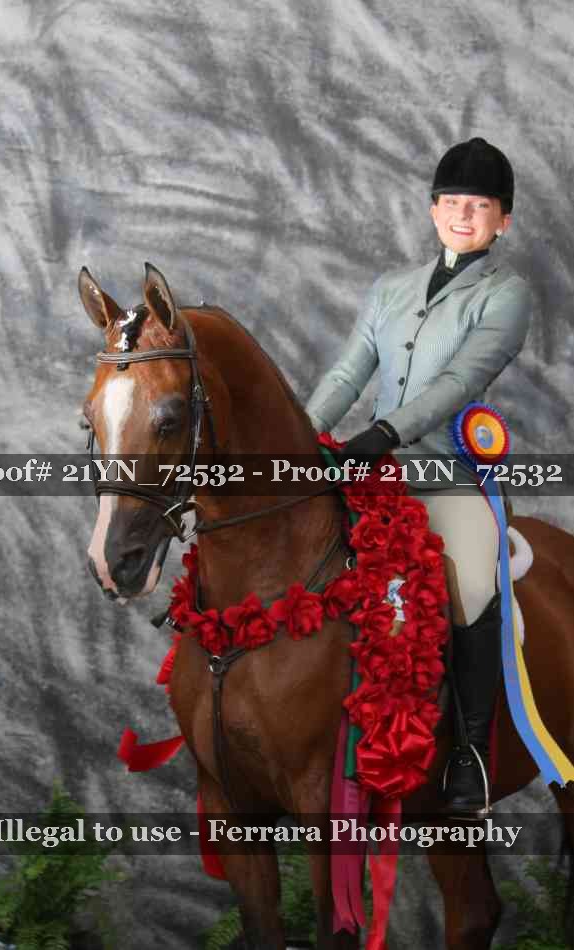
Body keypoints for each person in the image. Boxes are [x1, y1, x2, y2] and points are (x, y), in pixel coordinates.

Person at [306, 137, 532, 816]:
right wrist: (299, 438)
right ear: (433, 210)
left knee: (471, 583)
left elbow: (462, 379)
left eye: (480, 206)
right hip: (370, 471)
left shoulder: (506, 293)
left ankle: (469, 754)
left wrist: (385, 433)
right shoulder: (390, 289)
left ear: (502, 221)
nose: (463, 215)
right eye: (452, 202)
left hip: (444, 475)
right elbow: (347, 374)